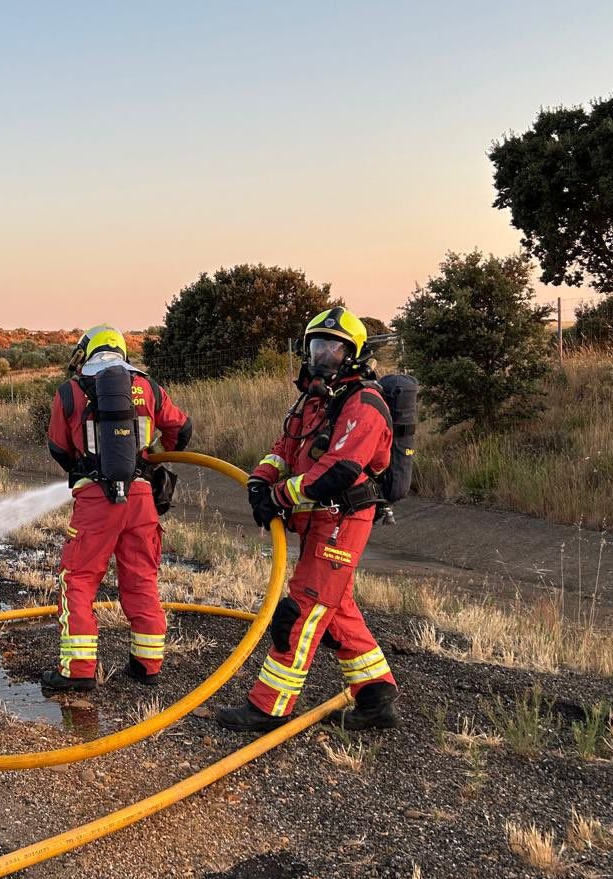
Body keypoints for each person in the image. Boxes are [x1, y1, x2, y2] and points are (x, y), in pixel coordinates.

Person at [214, 307, 401, 732]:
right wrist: (261, 482)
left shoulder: (364, 404)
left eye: (334, 349)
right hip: (316, 520)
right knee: (337, 610)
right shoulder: (314, 402)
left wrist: (281, 496)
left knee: (299, 611)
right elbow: (285, 447)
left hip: (342, 518)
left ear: (354, 355)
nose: (323, 357)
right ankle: (376, 695)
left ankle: (269, 707)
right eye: (317, 347)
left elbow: (337, 470)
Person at [42, 325, 193, 693]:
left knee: (77, 579)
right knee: (141, 579)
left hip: (96, 500)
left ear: (87, 352)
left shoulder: (71, 391)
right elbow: (182, 430)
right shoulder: (149, 387)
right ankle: (147, 665)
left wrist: (88, 467)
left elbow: (59, 449)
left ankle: (77, 671)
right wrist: (152, 458)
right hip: (141, 501)